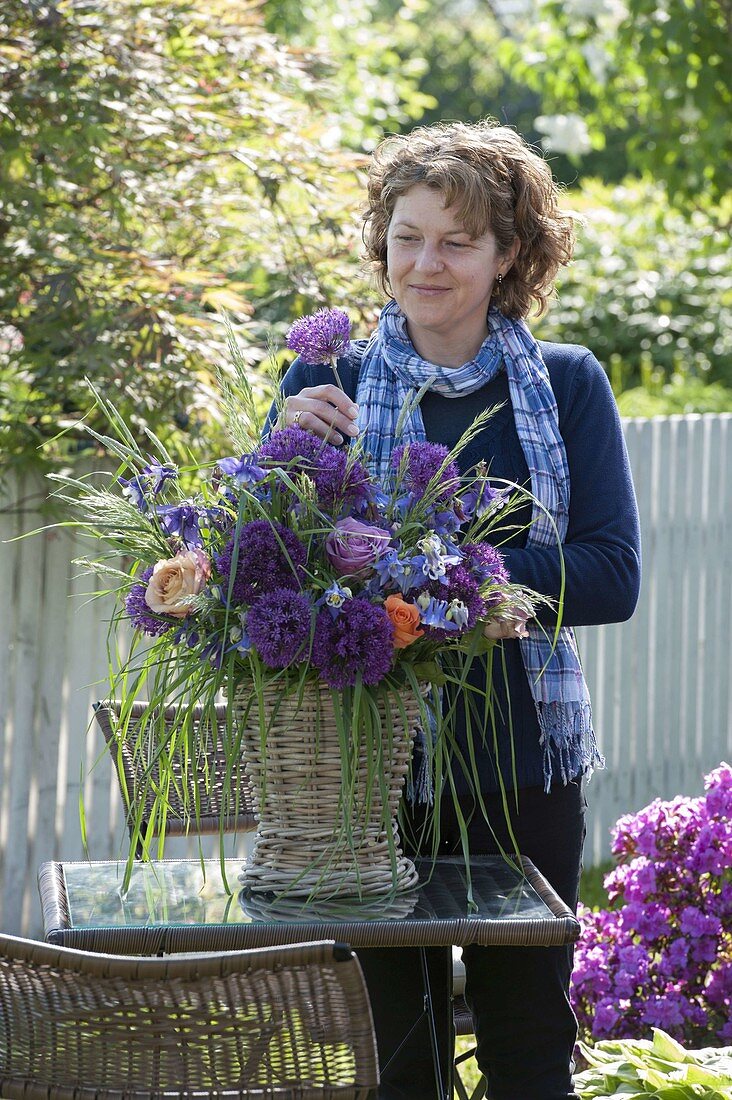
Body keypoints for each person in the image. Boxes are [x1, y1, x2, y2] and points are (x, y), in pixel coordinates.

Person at [275, 119, 641, 1100]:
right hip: (367, 759)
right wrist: (281, 460)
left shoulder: (566, 386)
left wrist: (450, 580)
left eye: (457, 239)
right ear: (381, 241)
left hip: (520, 763)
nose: (423, 262)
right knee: (400, 1060)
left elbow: (609, 573)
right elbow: (275, 582)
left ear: (510, 251)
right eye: (406, 236)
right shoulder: (326, 382)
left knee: (525, 1050)